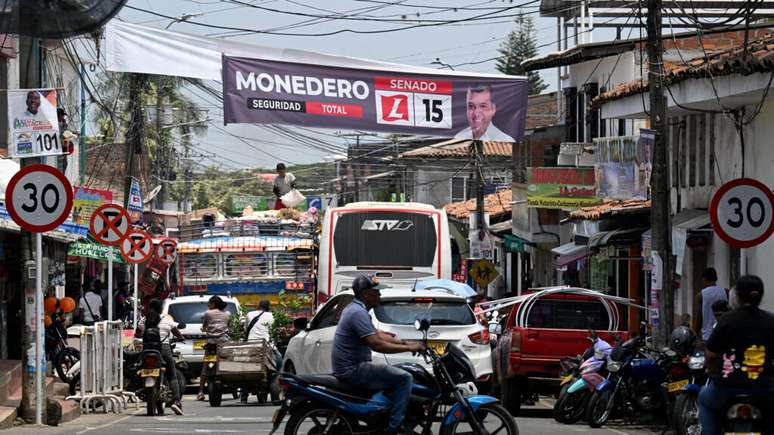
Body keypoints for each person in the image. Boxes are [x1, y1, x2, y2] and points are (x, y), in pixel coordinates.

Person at [333, 275, 425, 435]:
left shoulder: (356, 309)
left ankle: (382, 415)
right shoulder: (357, 313)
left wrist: (407, 343)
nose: (380, 295)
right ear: (365, 294)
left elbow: (378, 334)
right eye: (376, 292)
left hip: (352, 367)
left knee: (397, 374)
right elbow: (377, 343)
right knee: (405, 378)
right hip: (354, 370)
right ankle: (394, 428)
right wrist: (410, 349)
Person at [698, 275, 774, 435]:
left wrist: (711, 371)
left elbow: (711, 354)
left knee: (704, 400)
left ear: (737, 296)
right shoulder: (770, 321)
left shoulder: (726, 320)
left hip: (726, 387)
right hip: (764, 388)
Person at [136, 299, 185, 415]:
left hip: (147, 350)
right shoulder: (167, 319)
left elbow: (137, 333)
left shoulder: (144, 319)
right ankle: (177, 401)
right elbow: (177, 332)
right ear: (161, 308)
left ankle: (139, 388)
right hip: (164, 349)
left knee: (139, 369)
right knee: (172, 375)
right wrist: (181, 338)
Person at [242, 300, 279, 403]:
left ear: (258, 306)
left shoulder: (250, 314)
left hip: (252, 346)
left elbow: (245, 330)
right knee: (278, 365)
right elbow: (275, 332)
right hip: (268, 347)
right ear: (268, 307)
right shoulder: (273, 316)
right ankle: (278, 388)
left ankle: (243, 395)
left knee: (245, 370)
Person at [197, 296, 231, 401]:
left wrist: (204, 329)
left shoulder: (208, 313)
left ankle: (200, 391)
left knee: (205, 367)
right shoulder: (227, 314)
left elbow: (204, 327)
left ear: (213, 304)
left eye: (209, 303)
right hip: (223, 343)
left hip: (211, 344)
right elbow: (229, 326)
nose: (208, 305)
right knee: (226, 362)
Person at [694, 267, 728, 341]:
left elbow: (698, 318)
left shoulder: (701, 295)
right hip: (724, 335)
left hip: (708, 336)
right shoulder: (726, 292)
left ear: (704, 279)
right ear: (716, 278)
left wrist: (695, 335)